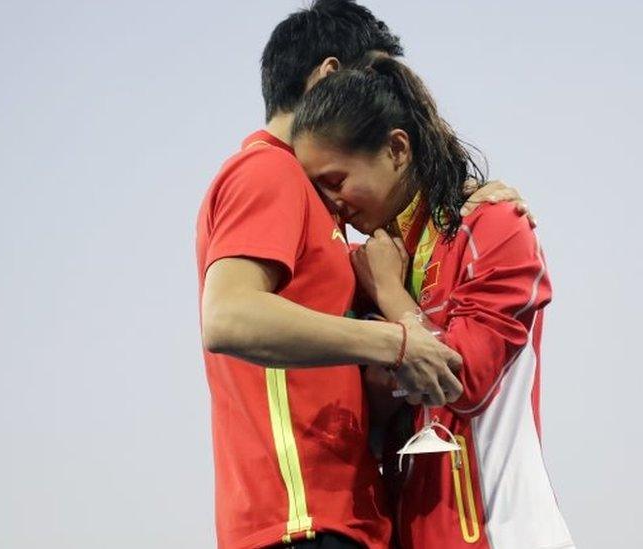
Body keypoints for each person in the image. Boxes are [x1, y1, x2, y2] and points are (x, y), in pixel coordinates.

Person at [195, 2, 532, 548]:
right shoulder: (270, 172)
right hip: (301, 523)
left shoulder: (317, 203)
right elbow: (228, 315)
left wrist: (467, 207)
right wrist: (395, 342)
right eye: (369, 80)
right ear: (329, 77)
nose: (383, 98)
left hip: (347, 519)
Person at [290, 57, 576, 549]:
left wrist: (392, 297)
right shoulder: (367, 263)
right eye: (316, 189)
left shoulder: (493, 225)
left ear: (397, 149)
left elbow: (462, 380)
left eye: (335, 182)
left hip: (499, 532)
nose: (330, 202)